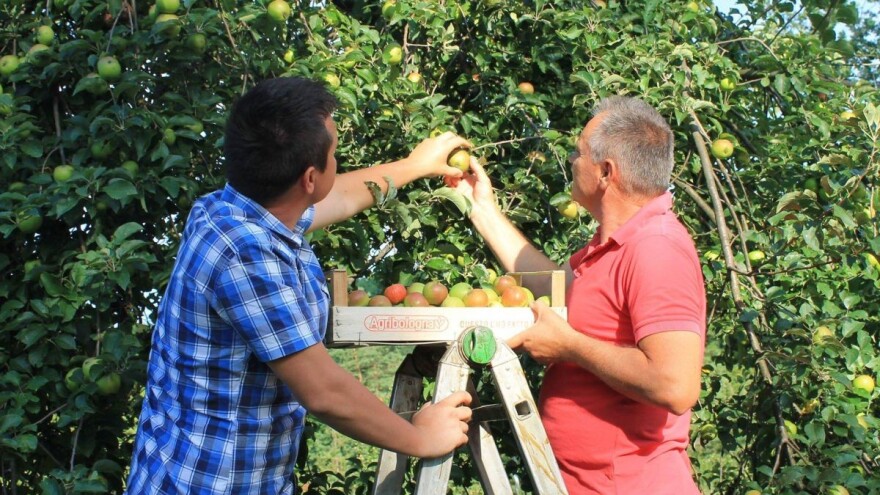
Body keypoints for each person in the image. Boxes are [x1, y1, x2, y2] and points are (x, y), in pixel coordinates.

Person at [125, 77, 473, 494]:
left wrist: (417, 165)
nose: (338, 163)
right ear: (309, 177)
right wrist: (418, 437)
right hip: (210, 483)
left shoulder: (233, 209)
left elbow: (341, 195)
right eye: (335, 154)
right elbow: (324, 392)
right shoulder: (246, 255)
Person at [449, 96, 706, 494]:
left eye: (578, 152)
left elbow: (675, 386)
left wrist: (569, 346)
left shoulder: (657, 247)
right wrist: (481, 209)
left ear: (606, 172)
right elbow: (555, 287)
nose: (571, 160)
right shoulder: (611, 245)